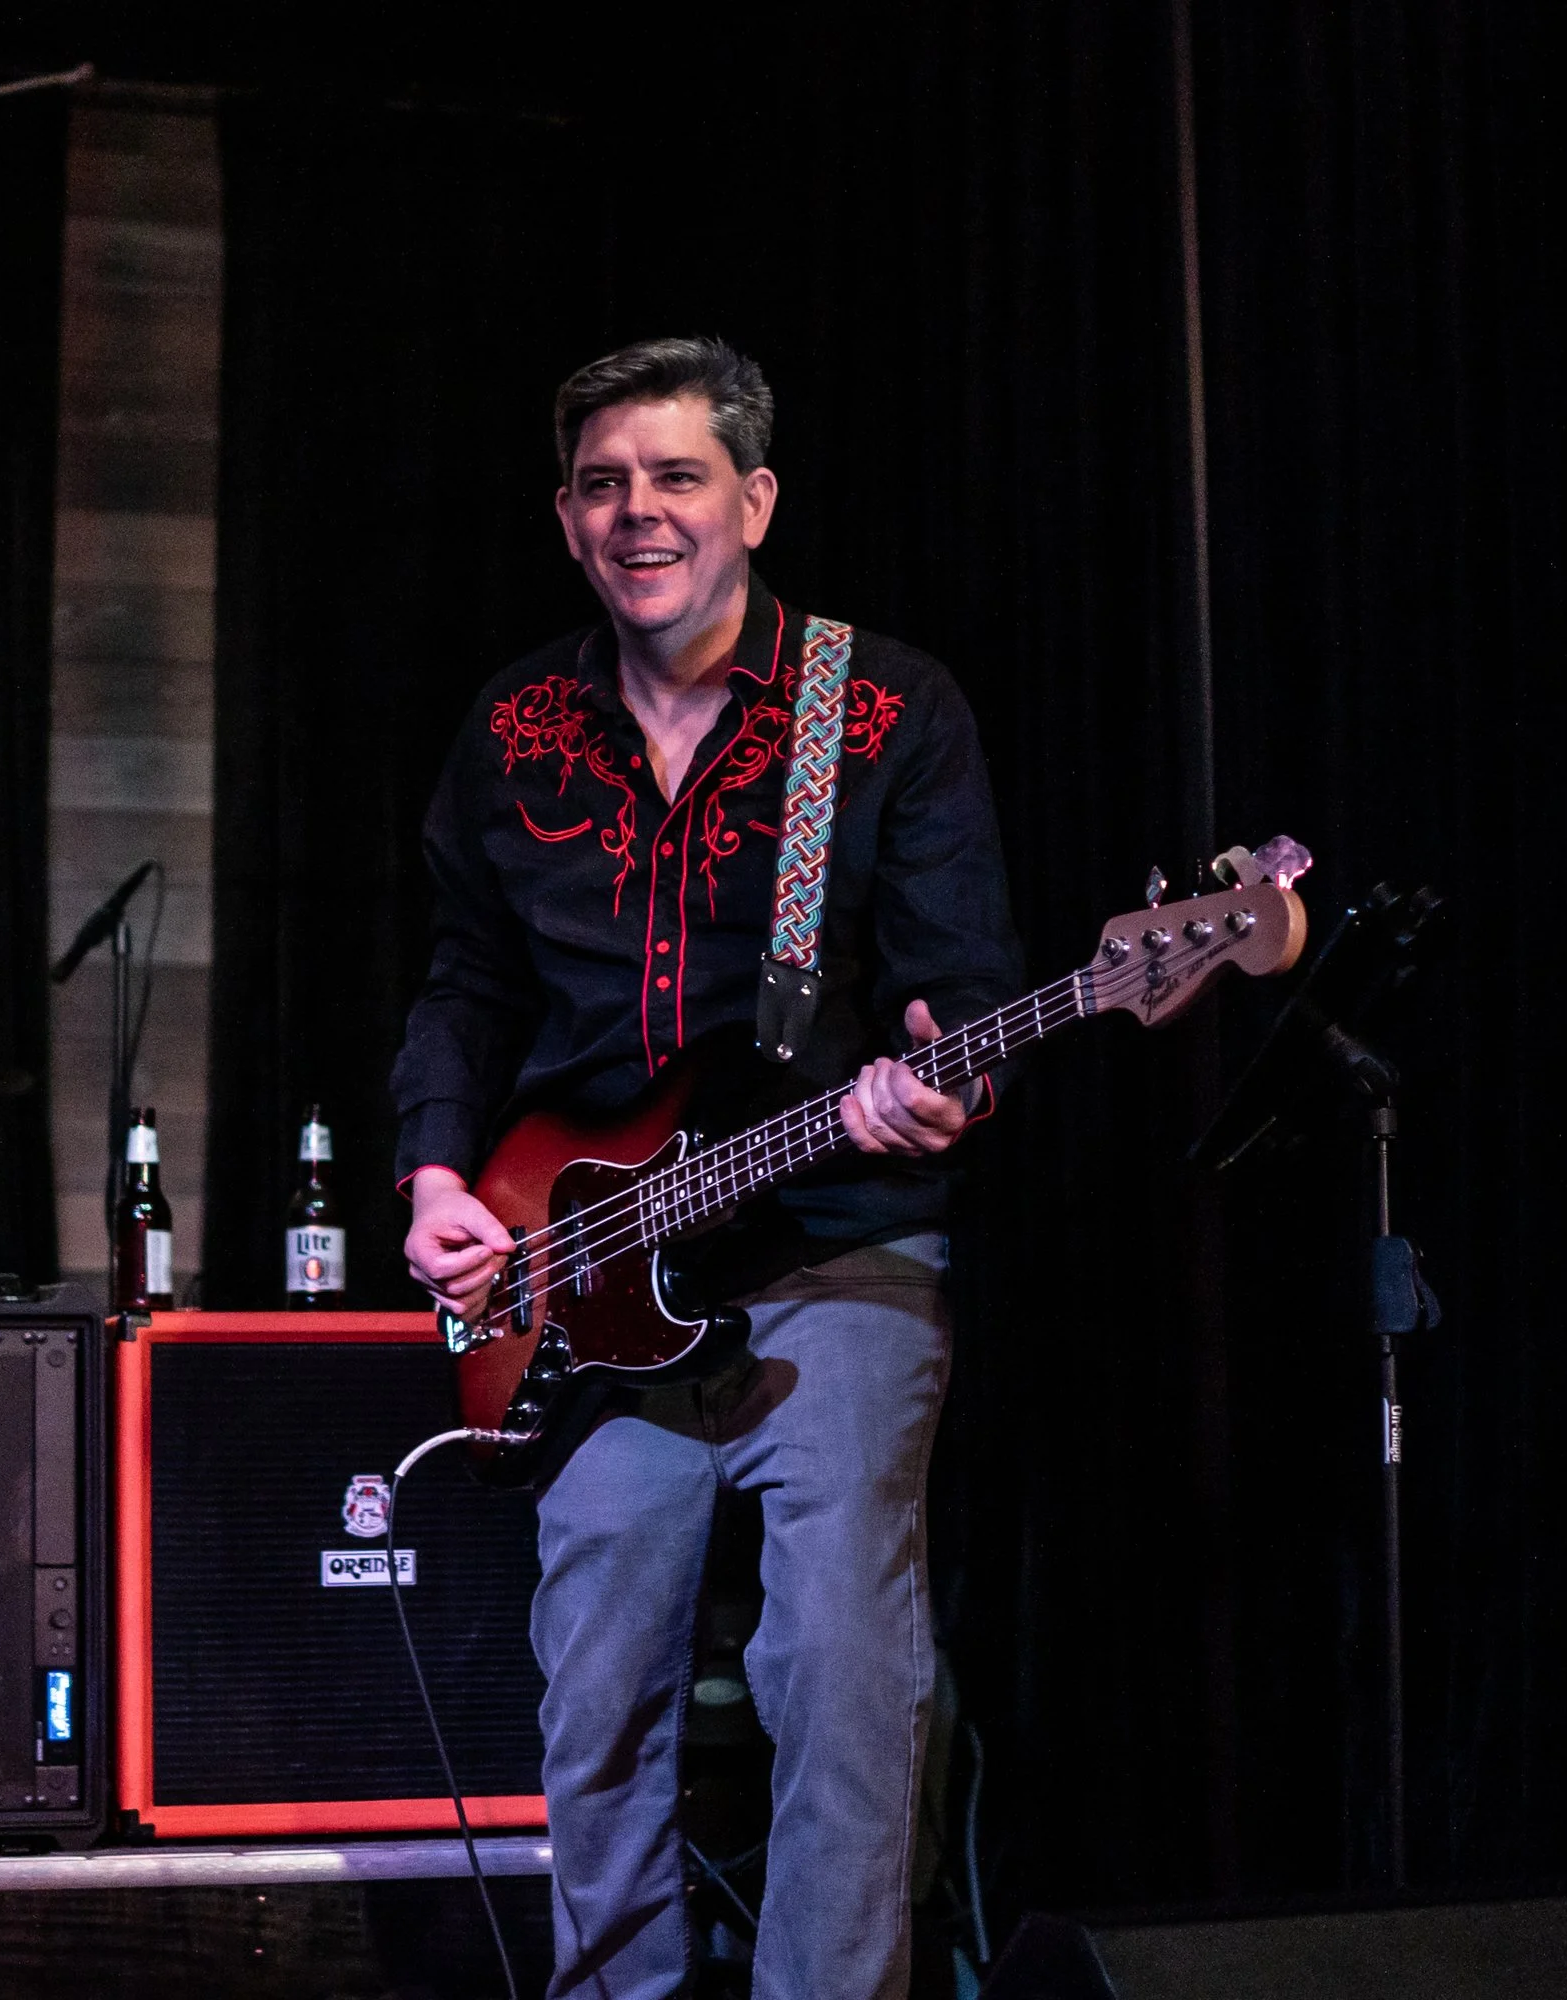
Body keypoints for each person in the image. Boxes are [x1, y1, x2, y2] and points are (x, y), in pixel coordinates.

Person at [392, 337, 1023, 1999]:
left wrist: (931, 1083)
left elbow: (972, 995)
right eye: (603, 484)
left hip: (835, 1248)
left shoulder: (883, 713)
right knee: (593, 1695)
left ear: (753, 499)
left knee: (836, 1656)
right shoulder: (516, 725)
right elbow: (465, 983)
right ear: (563, 517)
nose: (637, 512)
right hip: (584, 1276)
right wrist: (439, 1182)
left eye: (675, 478)